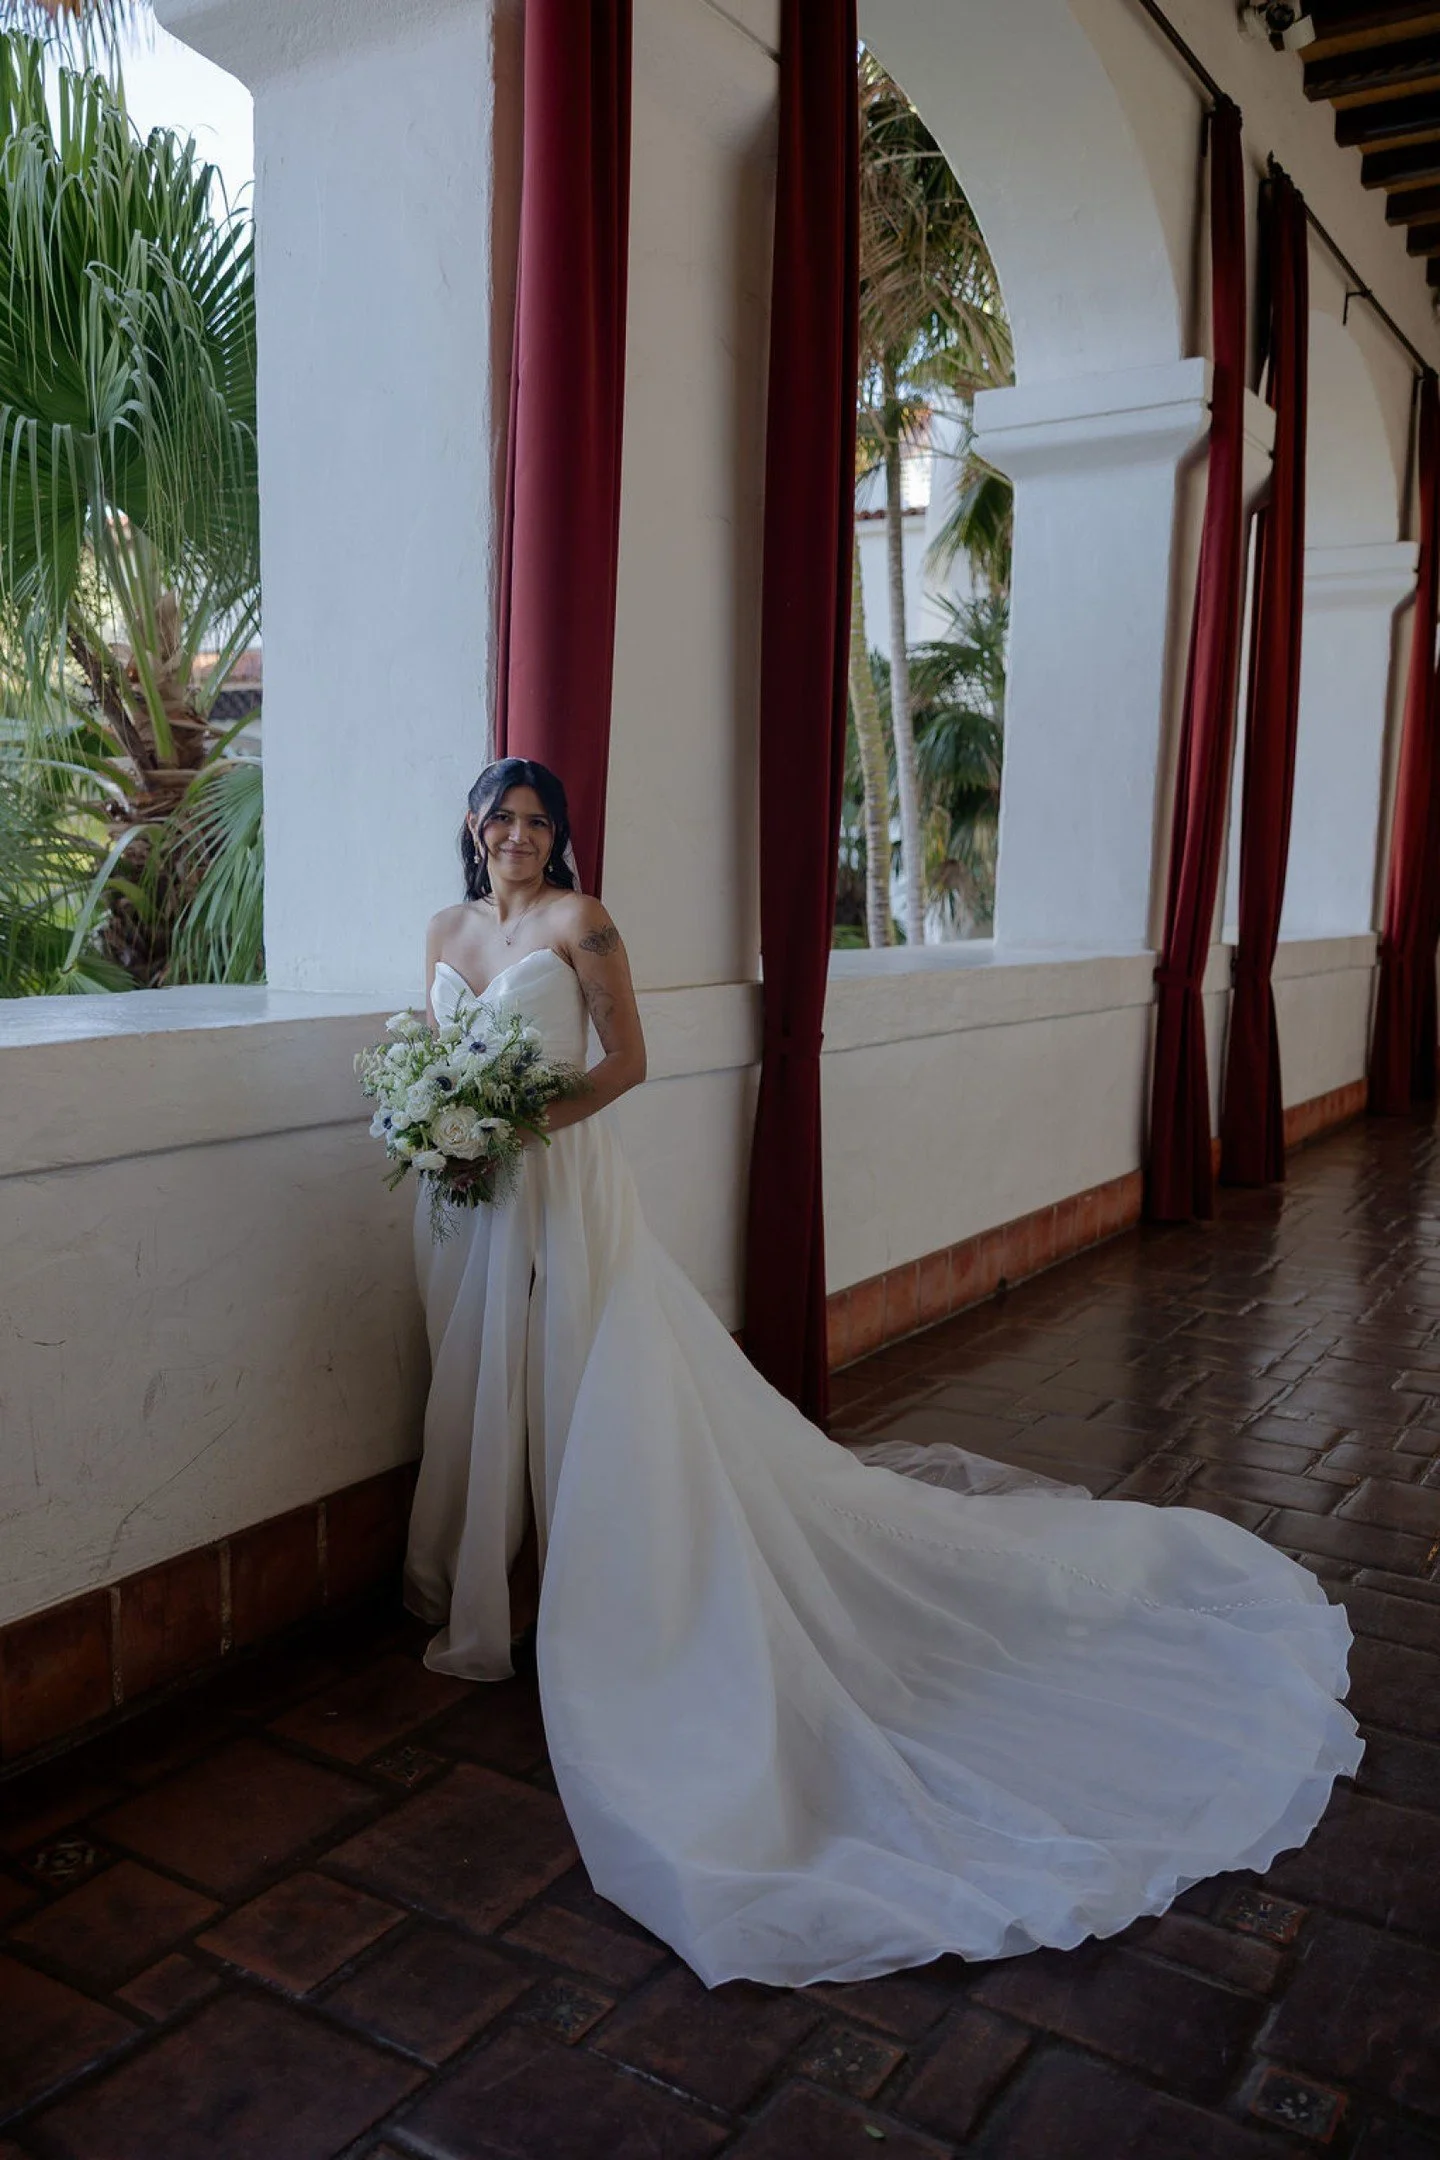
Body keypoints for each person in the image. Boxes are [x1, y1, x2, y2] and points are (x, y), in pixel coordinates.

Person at [403, 755, 1361, 1992]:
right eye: (504, 817)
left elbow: (626, 1066)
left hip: (563, 1190)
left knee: (592, 1386)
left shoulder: (586, 925)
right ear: (474, 826)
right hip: (473, 1204)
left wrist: (516, 1127)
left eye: (540, 820)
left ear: (560, 835)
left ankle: (602, 1587)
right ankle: (497, 1572)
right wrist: (438, 1123)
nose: (520, 835)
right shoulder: (443, 927)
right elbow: (426, 1046)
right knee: (491, 1376)